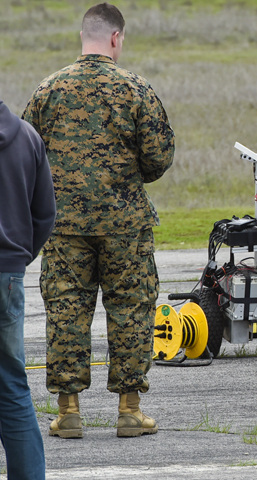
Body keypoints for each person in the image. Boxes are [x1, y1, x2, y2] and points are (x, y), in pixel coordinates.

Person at [22, 2, 174, 438]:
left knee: (67, 310)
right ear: (115, 38)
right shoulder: (136, 89)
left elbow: (26, 153)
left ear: (83, 36)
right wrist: (127, 179)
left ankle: (68, 412)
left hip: (64, 225)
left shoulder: (48, 89)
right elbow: (159, 156)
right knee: (131, 309)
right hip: (125, 224)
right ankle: (129, 411)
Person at [0, 99, 55, 479]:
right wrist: (18, 259)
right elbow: (45, 214)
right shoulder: (27, 136)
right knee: (12, 385)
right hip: (8, 276)